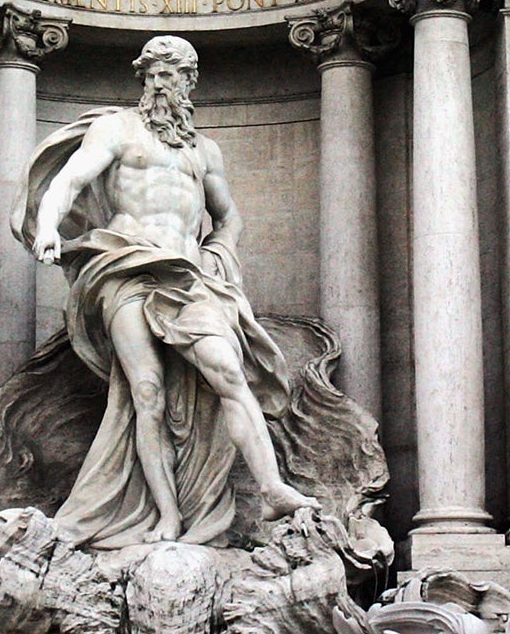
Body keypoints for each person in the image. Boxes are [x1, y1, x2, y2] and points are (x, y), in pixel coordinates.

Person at [17, 35, 317, 548]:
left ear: (188, 82)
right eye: (152, 74)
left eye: (170, 75)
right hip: (126, 268)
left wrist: (219, 255)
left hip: (188, 276)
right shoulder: (117, 130)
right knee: (147, 394)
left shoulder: (205, 151)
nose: (159, 84)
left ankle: (272, 489)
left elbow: (228, 217)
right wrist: (47, 225)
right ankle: (167, 517)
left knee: (227, 370)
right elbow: (67, 182)